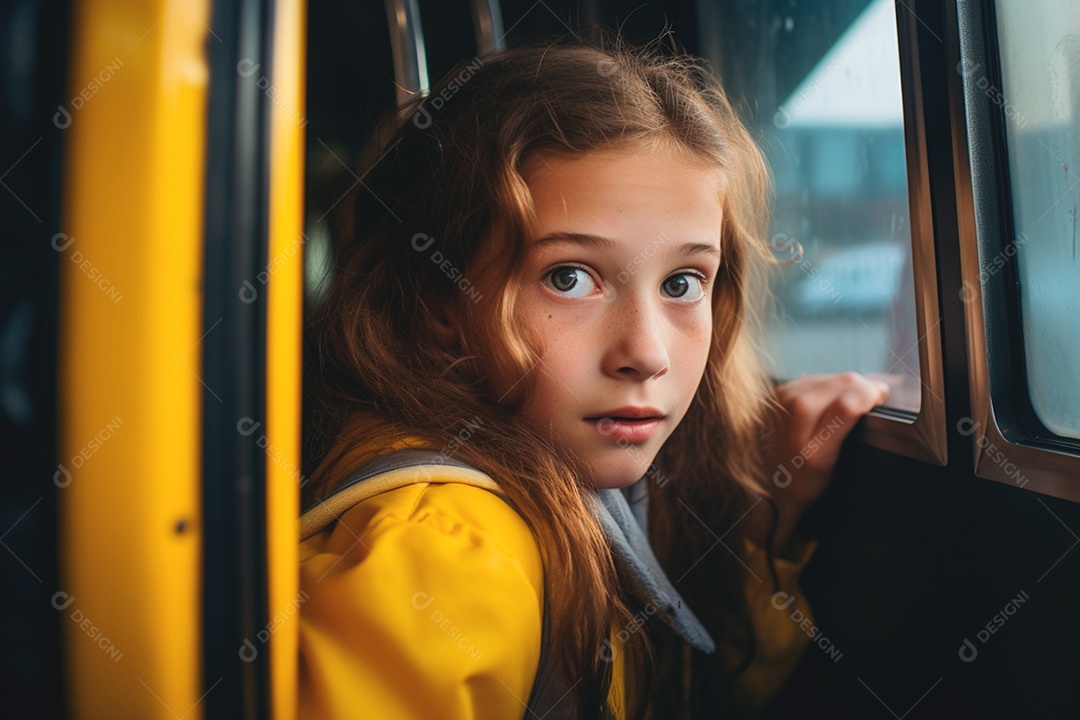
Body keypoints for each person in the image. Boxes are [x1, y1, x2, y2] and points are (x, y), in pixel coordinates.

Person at [298, 40, 889, 720]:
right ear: (438, 305)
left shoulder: (579, 491)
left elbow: (692, 697)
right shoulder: (449, 550)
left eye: (682, 282)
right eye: (569, 278)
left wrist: (763, 531)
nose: (646, 352)